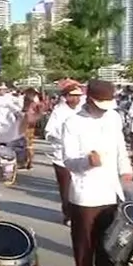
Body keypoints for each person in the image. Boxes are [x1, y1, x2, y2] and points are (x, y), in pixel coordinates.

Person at [62, 79, 133, 266]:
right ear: (89, 99)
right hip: (85, 192)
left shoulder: (113, 117)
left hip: (110, 189)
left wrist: (125, 168)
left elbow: (120, 145)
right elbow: (68, 160)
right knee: (85, 243)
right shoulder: (72, 122)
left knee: (110, 242)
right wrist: (86, 162)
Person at [43, 83, 83, 226]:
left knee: (79, 187)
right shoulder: (58, 111)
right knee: (66, 188)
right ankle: (68, 215)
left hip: (80, 156)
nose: (77, 99)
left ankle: (79, 213)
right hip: (61, 156)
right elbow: (48, 132)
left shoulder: (82, 110)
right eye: (73, 96)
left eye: (79, 96)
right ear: (66, 97)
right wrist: (64, 137)